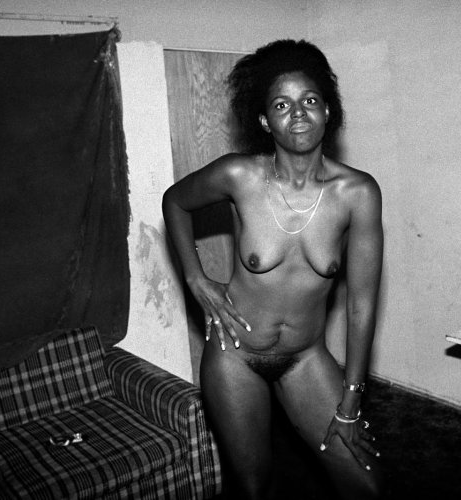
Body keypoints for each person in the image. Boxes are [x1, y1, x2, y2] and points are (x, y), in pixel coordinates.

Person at [162, 39, 384, 500]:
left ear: (328, 111)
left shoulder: (358, 193)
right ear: (265, 120)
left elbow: (362, 306)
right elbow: (175, 202)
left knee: (365, 486)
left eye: (310, 101)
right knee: (254, 487)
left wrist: (352, 396)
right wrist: (196, 279)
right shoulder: (239, 176)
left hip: (305, 359)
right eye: (282, 104)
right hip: (236, 355)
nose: (298, 113)